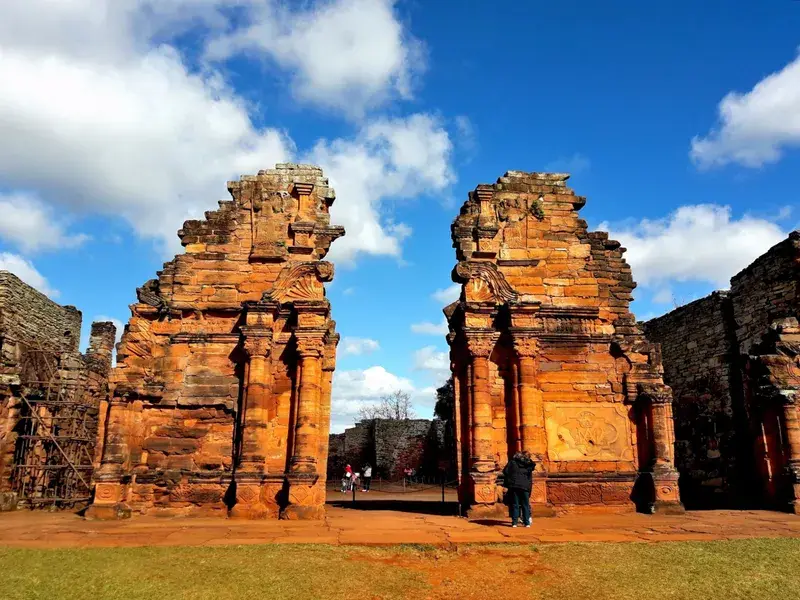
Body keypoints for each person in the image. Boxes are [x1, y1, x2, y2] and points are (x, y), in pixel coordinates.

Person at [502, 451, 535, 528]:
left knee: (515, 504)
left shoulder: (512, 463)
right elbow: (530, 475)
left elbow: (505, 471)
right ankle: (527, 523)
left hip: (514, 486)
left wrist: (510, 480)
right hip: (525, 486)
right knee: (525, 505)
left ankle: (514, 523)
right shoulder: (528, 464)